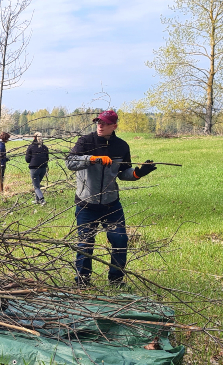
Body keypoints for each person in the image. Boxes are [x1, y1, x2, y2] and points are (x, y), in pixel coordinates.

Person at [66, 110, 156, 287]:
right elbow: (70, 162)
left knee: (120, 240)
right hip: (86, 204)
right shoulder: (85, 141)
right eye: (98, 122)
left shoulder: (121, 146)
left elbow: (123, 173)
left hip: (111, 205)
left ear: (114, 126)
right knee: (85, 243)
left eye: (105, 123)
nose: (100, 125)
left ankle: (116, 281)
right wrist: (93, 159)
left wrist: (138, 173)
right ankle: (82, 282)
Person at [25, 132, 49, 205]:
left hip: (34, 169)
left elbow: (27, 159)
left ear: (34, 138)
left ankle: (42, 200)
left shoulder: (31, 147)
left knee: (36, 186)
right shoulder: (45, 147)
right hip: (43, 169)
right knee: (37, 185)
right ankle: (37, 200)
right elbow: (47, 158)